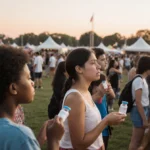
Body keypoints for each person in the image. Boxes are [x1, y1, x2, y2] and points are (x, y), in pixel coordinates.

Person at [60, 48, 126, 150]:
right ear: (79, 69)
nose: (99, 66)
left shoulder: (85, 92)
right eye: (93, 63)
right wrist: (106, 121)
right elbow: (78, 144)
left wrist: (99, 94)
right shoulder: (74, 98)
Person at [0, 46, 64, 150]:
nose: (32, 82)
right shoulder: (19, 135)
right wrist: (54, 140)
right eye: (29, 78)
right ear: (13, 88)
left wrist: (38, 140)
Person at [91, 48, 115, 149]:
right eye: (102, 59)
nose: (105, 61)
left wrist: (108, 89)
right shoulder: (90, 79)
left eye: (106, 59)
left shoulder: (103, 77)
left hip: (103, 121)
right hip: (94, 124)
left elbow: (112, 95)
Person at [129, 56, 150, 150]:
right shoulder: (138, 80)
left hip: (143, 110)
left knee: (140, 139)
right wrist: (144, 120)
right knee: (136, 140)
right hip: (139, 111)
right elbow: (138, 102)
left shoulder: (143, 79)